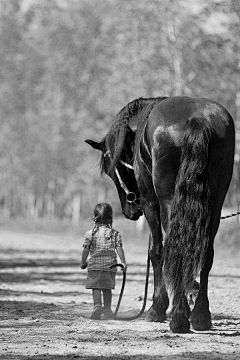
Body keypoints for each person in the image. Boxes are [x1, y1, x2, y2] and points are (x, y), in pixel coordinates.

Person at [81, 203, 127, 320]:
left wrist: (83, 262)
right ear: (110, 217)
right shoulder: (115, 234)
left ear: (94, 217)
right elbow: (119, 248)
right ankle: (107, 309)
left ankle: (97, 306)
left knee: (96, 286)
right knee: (107, 288)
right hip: (110, 267)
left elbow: (85, 250)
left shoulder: (90, 234)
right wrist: (123, 262)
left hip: (95, 266)